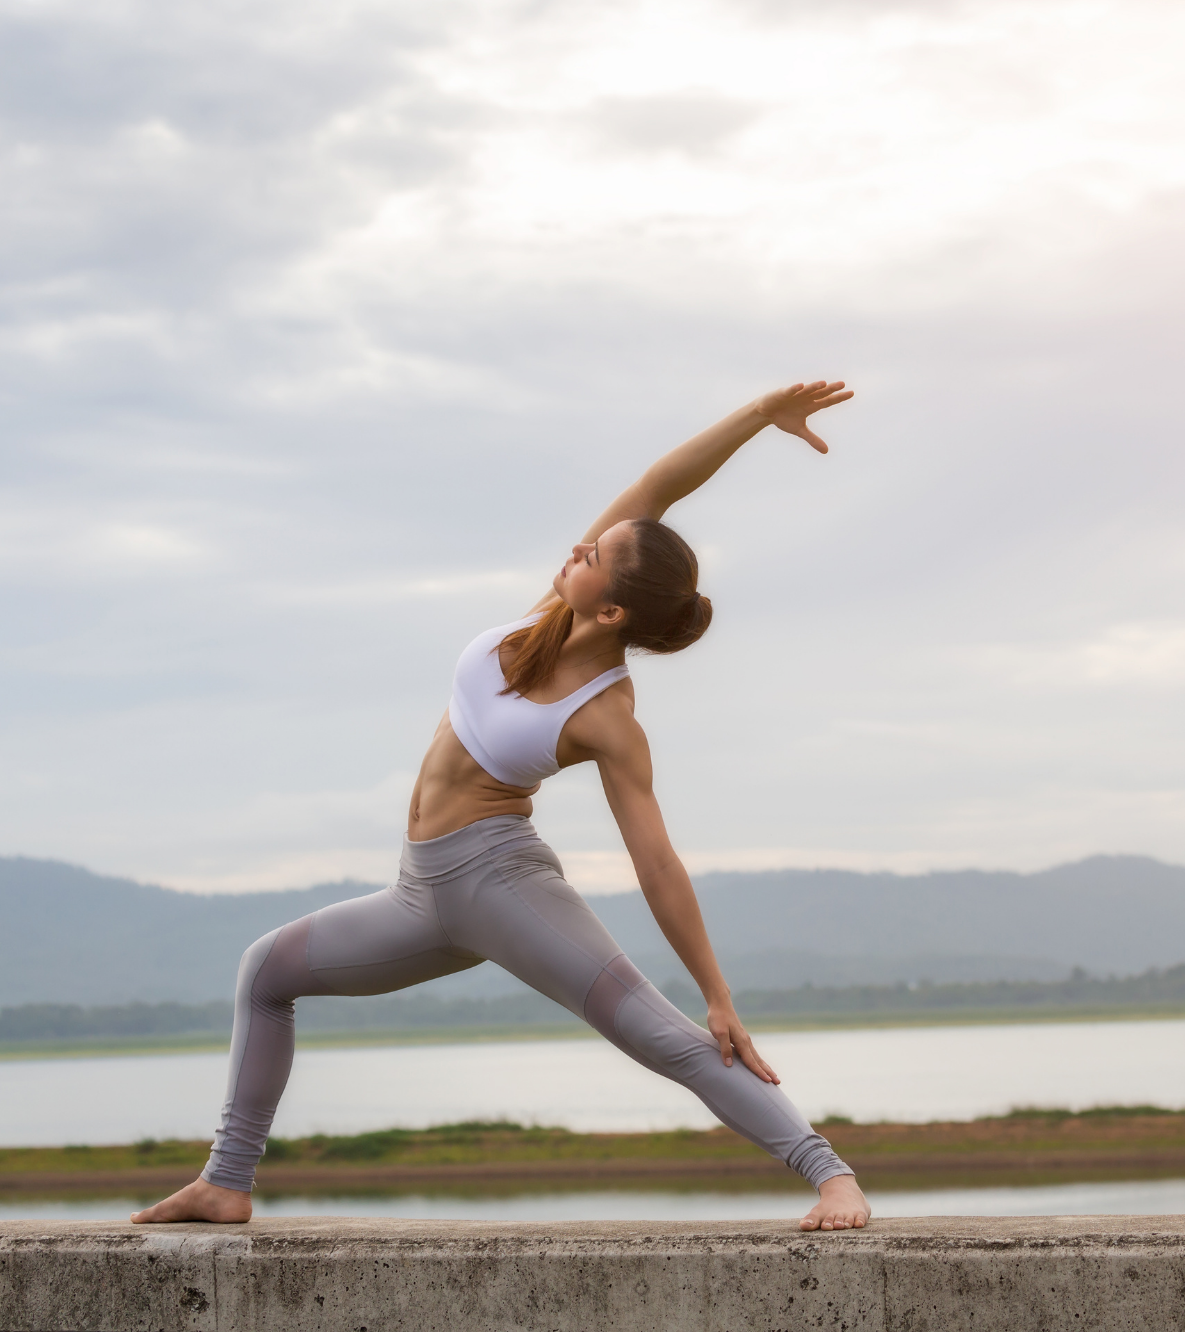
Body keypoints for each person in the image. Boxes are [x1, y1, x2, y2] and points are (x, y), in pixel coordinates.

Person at [132, 380, 871, 1231]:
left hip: (502, 888)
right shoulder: (543, 620)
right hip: (419, 895)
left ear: (614, 608)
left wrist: (718, 995)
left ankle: (831, 1177)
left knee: (664, 1038)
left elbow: (656, 862)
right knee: (265, 972)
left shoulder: (606, 717)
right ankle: (226, 1183)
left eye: (593, 556)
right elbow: (661, 484)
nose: (577, 548)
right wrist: (754, 417)